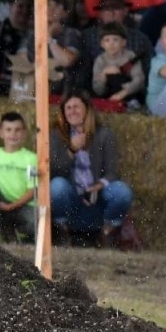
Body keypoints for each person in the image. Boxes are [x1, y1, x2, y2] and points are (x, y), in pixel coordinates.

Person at [49, 93, 133, 244]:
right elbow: (54, 171)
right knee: (57, 186)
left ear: (87, 110)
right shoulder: (56, 135)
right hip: (72, 197)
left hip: (97, 197)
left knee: (122, 191)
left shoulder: (104, 134)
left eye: (76, 107)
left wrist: (97, 186)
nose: (72, 111)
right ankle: (63, 231)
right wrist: (72, 149)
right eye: (68, 108)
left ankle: (107, 232)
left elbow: (112, 171)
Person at [0, 111, 37, 242]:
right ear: (1, 133)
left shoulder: (32, 158)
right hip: (1, 203)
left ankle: (21, 233)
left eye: (17, 130)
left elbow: (33, 190)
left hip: (23, 205)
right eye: (8, 130)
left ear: (24, 133)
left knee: (35, 220)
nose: (13, 134)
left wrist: (12, 206)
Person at [91, 22, 145, 104]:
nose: (111, 44)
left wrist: (122, 94)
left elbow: (139, 80)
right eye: (107, 40)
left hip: (128, 92)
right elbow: (98, 90)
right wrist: (104, 74)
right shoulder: (100, 60)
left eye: (115, 39)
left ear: (123, 42)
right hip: (109, 94)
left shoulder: (130, 56)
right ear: (102, 44)